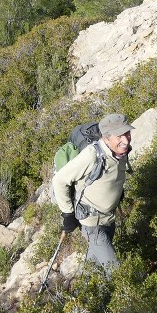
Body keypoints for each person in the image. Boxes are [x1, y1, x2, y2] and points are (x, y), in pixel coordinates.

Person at [51, 113, 133, 270]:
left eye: (127, 133)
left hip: (109, 218)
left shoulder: (121, 151)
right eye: (119, 136)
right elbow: (59, 180)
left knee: (93, 267)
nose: (126, 140)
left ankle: (87, 291)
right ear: (106, 137)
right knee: (115, 271)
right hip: (92, 223)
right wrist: (67, 214)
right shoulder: (92, 155)